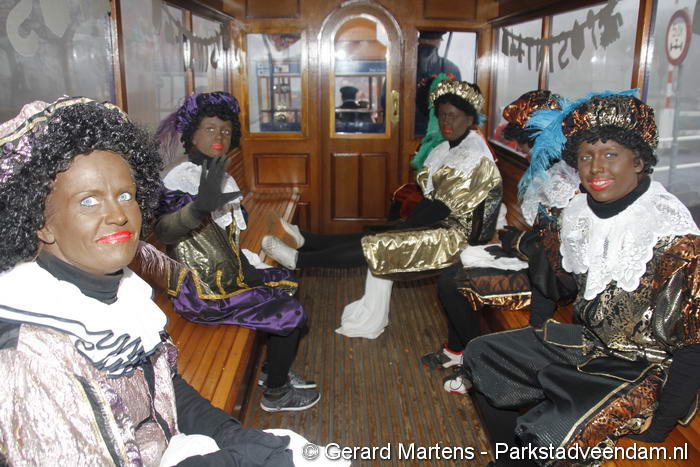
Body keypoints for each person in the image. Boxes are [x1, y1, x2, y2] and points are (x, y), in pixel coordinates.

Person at [0, 97, 296, 465]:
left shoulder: (121, 288)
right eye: (88, 201)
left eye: (125, 195)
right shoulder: (31, 353)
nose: (118, 214)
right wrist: (239, 460)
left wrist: (231, 434)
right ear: (40, 224)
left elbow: (165, 389)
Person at [453, 91, 700, 465]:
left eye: (611, 154)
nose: (596, 167)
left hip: (642, 372)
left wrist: (660, 426)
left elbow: (693, 347)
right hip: (589, 344)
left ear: (639, 160)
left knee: (549, 435)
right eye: (586, 156)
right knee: (482, 353)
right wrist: (548, 247)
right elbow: (559, 283)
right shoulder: (579, 211)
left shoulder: (674, 236)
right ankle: (507, 450)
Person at [263, 79, 502, 338]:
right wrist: (403, 224)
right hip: (440, 223)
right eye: (442, 115)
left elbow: (442, 208)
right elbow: (432, 200)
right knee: (375, 234)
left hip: (458, 237)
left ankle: (300, 260)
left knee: (380, 242)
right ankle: (306, 240)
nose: (446, 122)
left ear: (470, 119)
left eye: (453, 116)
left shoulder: (473, 156)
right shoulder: (448, 147)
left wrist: (403, 227)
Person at [155, 91, 319, 412]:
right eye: (210, 129)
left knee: (286, 280)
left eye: (226, 130)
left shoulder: (222, 174)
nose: (219, 136)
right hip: (203, 291)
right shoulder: (181, 178)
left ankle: (272, 369)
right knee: (292, 313)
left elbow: (230, 233)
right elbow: (165, 230)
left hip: (229, 272)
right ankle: (277, 394)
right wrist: (198, 208)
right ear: (192, 135)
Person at [421, 90, 579, 375]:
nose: (521, 150)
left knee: (453, 283)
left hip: (554, 279)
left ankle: (476, 364)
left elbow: (557, 251)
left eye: (524, 143)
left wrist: (516, 242)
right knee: (455, 271)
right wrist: (516, 241)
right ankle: (457, 352)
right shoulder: (552, 170)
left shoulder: (566, 180)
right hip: (536, 258)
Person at [414, 30, 462, 135]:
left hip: (406, 132)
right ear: (438, 42)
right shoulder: (451, 69)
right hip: (440, 135)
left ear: (418, 40)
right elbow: (458, 105)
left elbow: (386, 100)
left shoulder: (401, 66)